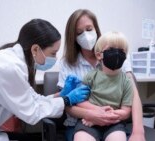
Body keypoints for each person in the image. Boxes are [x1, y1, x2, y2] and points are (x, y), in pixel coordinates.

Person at [58, 9, 145, 141]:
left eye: (89, 29)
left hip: (114, 122)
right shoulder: (68, 63)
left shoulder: (119, 56)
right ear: (73, 37)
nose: (85, 35)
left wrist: (139, 132)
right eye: (79, 33)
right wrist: (94, 115)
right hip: (83, 122)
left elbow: (133, 95)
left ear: (96, 28)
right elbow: (68, 104)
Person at [73, 31, 133, 141]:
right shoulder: (90, 77)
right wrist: (96, 114)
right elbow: (80, 102)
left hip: (114, 123)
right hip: (89, 120)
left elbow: (125, 112)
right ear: (99, 55)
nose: (117, 53)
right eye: (111, 49)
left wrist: (106, 116)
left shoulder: (127, 82)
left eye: (121, 51)